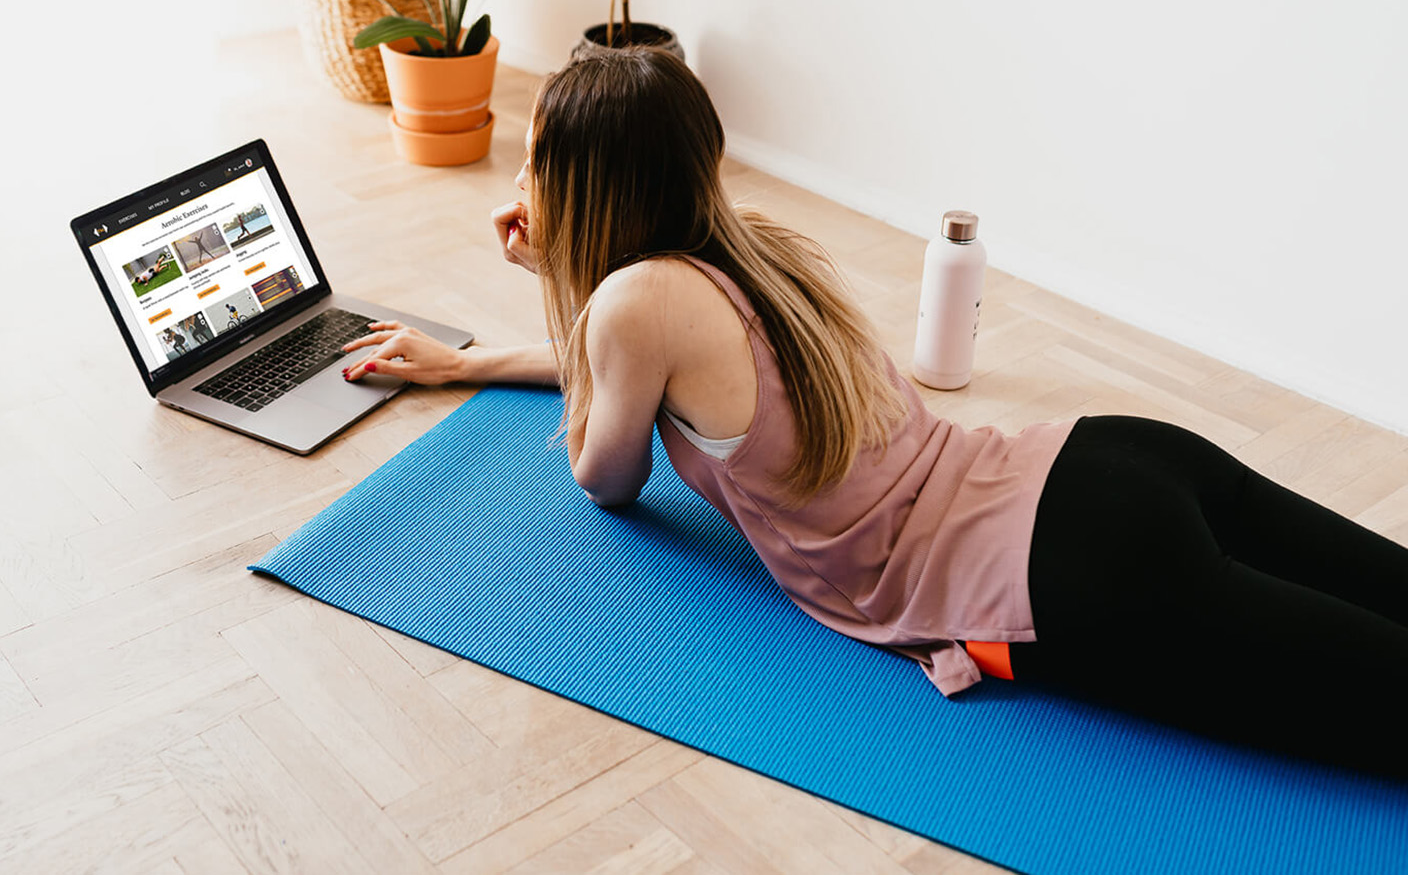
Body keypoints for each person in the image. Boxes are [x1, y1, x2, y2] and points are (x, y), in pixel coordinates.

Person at [336, 46, 1408, 780]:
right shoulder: (750, 243)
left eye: (536, 164)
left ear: (586, 186)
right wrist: (465, 365)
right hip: (1115, 463)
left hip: (1063, 578)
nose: (522, 180)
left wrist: (552, 281)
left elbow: (602, 474)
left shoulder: (626, 301)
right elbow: (628, 374)